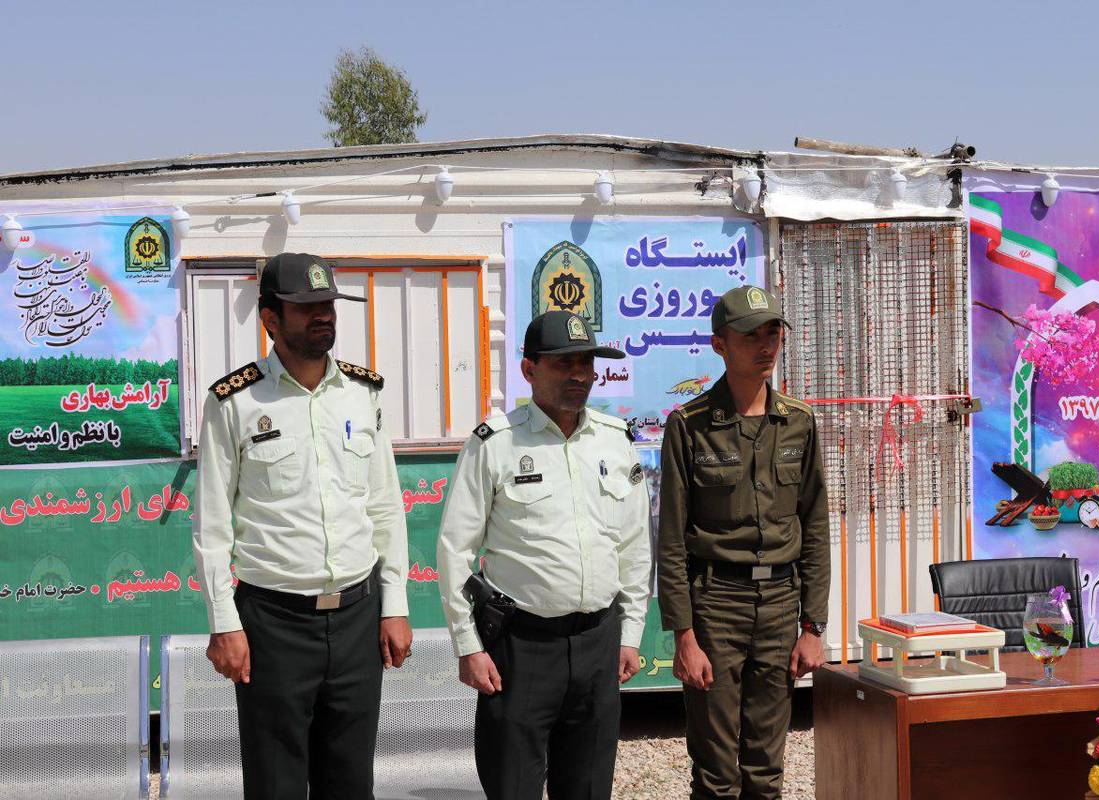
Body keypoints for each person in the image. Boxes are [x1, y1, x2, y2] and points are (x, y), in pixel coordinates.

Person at [193, 252, 413, 800]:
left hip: (358, 619)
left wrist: (395, 605)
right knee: (276, 783)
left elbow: (385, 507)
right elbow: (213, 526)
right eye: (307, 307)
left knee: (350, 783)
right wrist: (224, 623)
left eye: (328, 305)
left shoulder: (363, 393)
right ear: (270, 318)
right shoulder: (234, 401)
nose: (324, 316)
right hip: (274, 624)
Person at [436, 310, 651, 800]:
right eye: (563, 363)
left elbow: (635, 547)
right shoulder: (495, 443)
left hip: (598, 643)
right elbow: (454, 550)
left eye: (586, 363)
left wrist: (631, 634)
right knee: (513, 786)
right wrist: (468, 646)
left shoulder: (615, 440)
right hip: (521, 649)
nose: (579, 375)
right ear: (529, 369)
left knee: (589, 789)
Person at [656, 285, 830, 800]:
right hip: (716, 605)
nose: (766, 344)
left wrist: (813, 625)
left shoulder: (799, 422)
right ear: (719, 344)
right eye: (751, 335)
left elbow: (815, 527)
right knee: (715, 773)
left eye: (773, 332)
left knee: (766, 769)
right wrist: (683, 636)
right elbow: (671, 540)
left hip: (779, 604)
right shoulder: (688, 426)